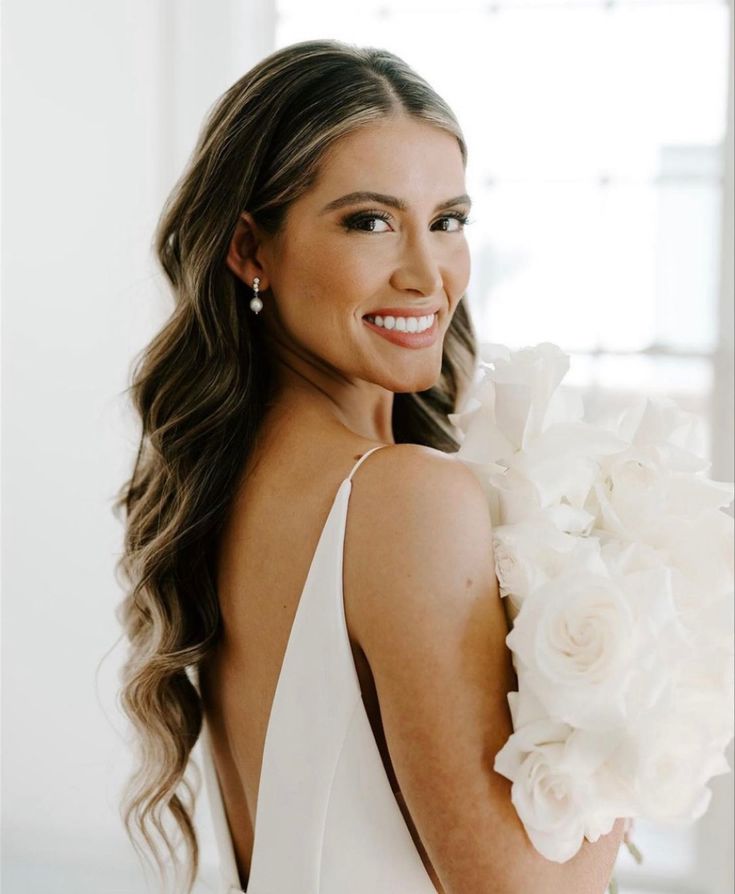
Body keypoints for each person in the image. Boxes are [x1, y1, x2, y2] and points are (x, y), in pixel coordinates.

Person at [114, 39, 626, 894]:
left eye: (448, 221)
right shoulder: (403, 500)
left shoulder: (229, 486)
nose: (428, 274)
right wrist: (645, 692)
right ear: (250, 249)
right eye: (370, 221)